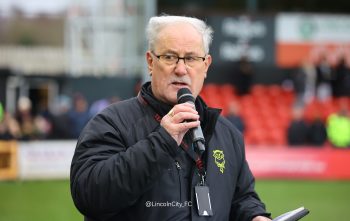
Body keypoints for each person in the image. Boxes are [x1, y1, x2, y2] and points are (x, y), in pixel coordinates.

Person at [70, 15, 271, 221]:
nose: (181, 69)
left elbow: (242, 199)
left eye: (191, 58)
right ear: (150, 61)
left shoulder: (227, 133)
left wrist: (255, 216)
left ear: (206, 65)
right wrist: (162, 141)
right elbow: (89, 196)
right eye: (169, 57)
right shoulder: (111, 123)